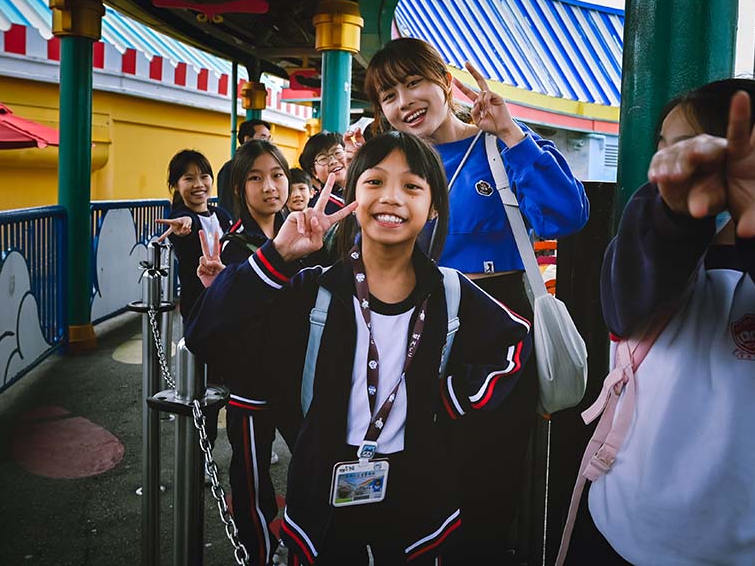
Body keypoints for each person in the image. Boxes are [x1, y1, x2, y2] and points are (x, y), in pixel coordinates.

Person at [187, 132, 531, 565]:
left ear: (434, 207)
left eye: (411, 186)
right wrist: (277, 254)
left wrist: (450, 400)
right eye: (374, 182)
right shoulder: (315, 292)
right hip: (321, 502)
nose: (391, 197)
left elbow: (515, 343)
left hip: (417, 502)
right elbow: (205, 336)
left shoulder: (450, 292)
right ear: (353, 196)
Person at [566, 79, 755, 565]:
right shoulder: (647, 245)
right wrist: (676, 218)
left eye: (692, 147)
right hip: (626, 528)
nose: (672, 161)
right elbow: (628, 297)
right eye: (666, 147)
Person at [362, 37, 589, 563]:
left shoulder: (498, 145)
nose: (404, 102)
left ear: (445, 83)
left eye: (414, 83)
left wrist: (510, 132)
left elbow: (566, 216)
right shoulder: (393, 165)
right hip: (414, 327)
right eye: (389, 95)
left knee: (487, 484)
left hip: (496, 332)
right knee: (413, 478)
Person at [197, 139, 298, 566]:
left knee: (313, 465)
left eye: (277, 175)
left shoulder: (303, 232)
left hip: (299, 380)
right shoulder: (232, 246)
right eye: (256, 178)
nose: (270, 187)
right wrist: (225, 287)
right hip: (251, 386)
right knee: (251, 479)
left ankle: (302, 541)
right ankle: (258, 553)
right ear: (239, 189)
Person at [156, 149, 233, 323]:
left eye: (204, 176)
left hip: (228, 301)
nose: (199, 184)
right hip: (198, 308)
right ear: (176, 185)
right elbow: (188, 222)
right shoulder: (180, 219)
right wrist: (185, 223)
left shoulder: (222, 215)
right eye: (189, 178)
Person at [218, 119, 273, 213]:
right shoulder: (230, 168)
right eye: (263, 138)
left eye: (269, 138)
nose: (268, 143)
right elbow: (226, 205)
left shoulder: (270, 165)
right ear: (247, 139)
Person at [299, 131, 347, 214]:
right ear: (314, 172)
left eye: (337, 153)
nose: (333, 161)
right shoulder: (321, 206)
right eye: (323, 158)